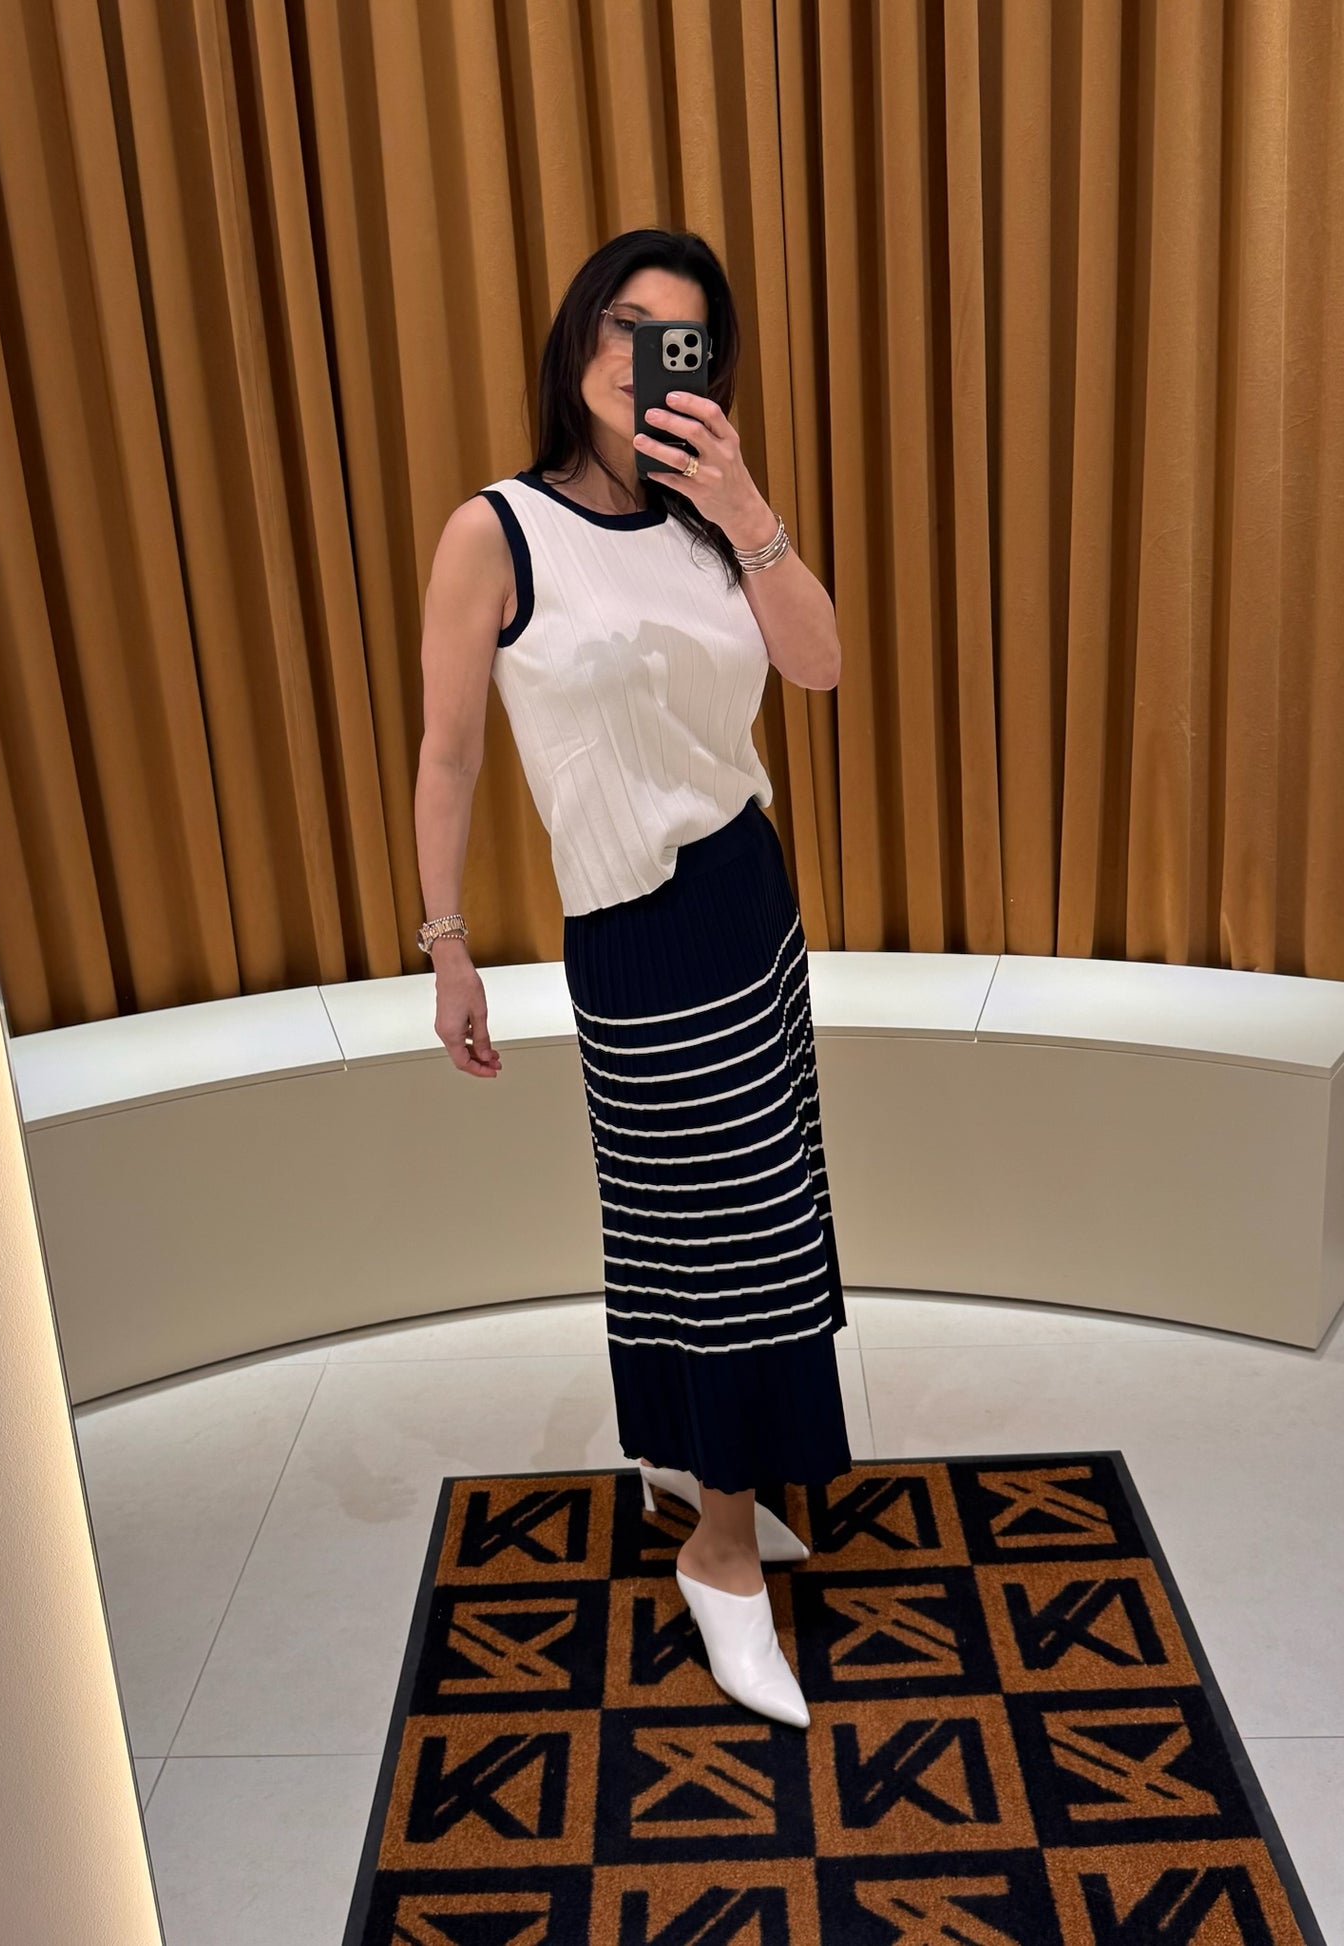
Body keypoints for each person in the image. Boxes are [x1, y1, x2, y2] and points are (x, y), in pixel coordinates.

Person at [412, 228, 849, 1727]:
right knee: (707, 1238)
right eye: (620, 321)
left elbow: (818, 666)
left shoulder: (712, 521)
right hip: (632, 928)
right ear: (575, 339)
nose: (641, 356)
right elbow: (449, 753)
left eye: (680, 338)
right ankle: (720, 1547)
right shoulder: (497, 531)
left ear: (707, 369)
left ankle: (696, 1478)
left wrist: (745, 506)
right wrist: (447, 943)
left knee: (754, 1222)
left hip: (746, 897)